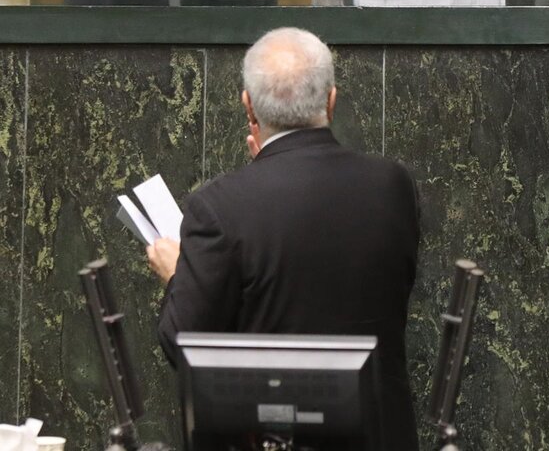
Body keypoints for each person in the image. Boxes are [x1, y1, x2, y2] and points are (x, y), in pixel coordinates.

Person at [147, 27, 420, 451]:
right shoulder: (394, 187)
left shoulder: (219, 207)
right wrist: (271, 170)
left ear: (248, 106)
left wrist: (175, 276)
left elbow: (183, 346)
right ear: (331, 100)